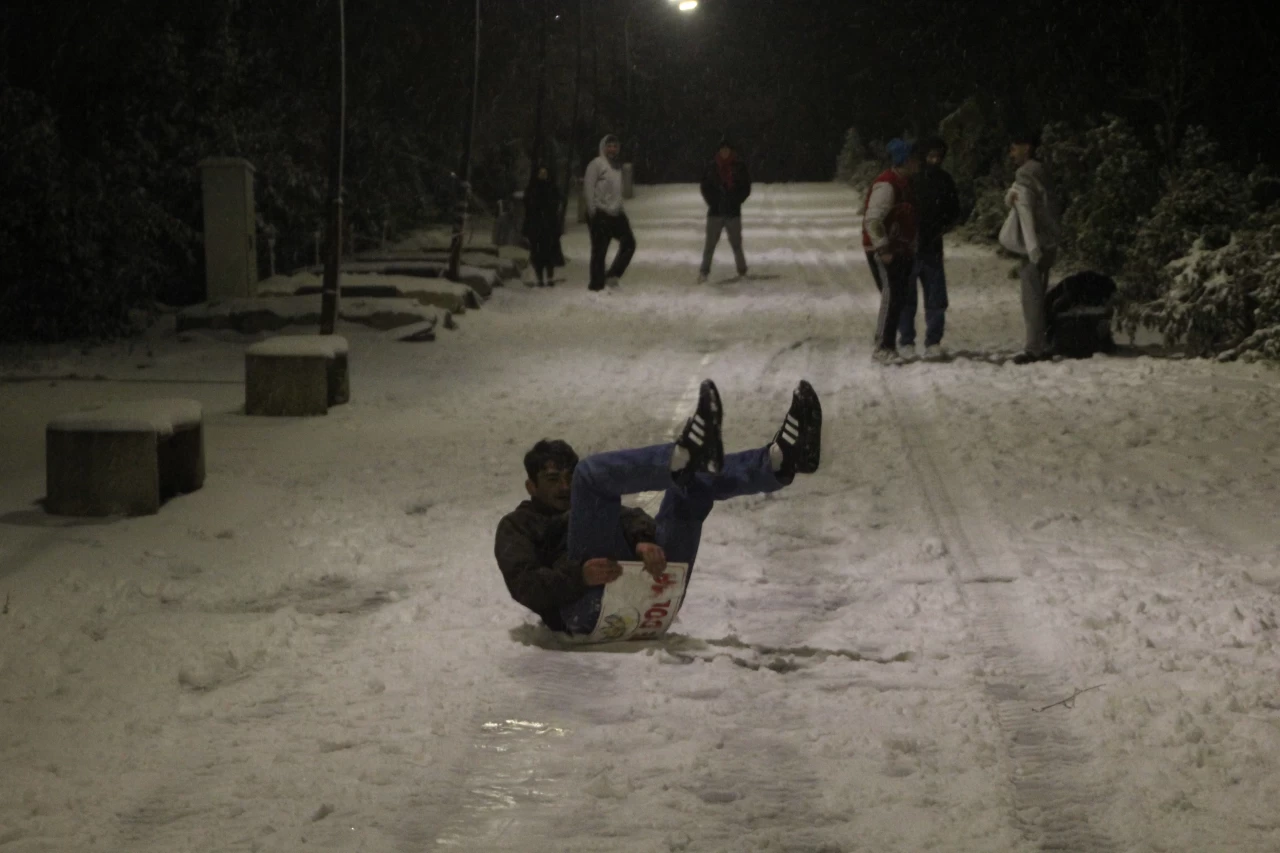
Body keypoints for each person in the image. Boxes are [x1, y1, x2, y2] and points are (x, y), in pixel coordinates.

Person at [494, 378, 823, 635]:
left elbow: (632, 517)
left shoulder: (585, 514)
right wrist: (579, 576)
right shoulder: (517, 525)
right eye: (552, 480)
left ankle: (778, 461)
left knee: (692, 486)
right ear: (531, 486)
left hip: (650, 601)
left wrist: (643, 541)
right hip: (585, 611)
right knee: (591, 474)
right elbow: (525, 585)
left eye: (567, 479)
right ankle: (680, 459)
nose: (565, 488)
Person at [1001, 128, 1061, 364]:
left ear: (1027, 147)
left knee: (1031, 296)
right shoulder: (1043, 170)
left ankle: (1034, 347)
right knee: (1040, 291)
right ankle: (1042, 342)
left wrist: (1032, 247)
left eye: (1014, 147)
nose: (1011, 153)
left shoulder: (1025, 174)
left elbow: (1025, 211)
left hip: (1036, 242)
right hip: (1050, 239)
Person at [862, 138, 922, 365]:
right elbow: (873, 219)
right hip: (885, 250)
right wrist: (883, 247)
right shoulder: (887, 185)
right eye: (914, 159)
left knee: (897, 297)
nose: (919, 163)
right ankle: (883, 346)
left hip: (898, 249)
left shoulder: (904, 182)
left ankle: (887, 344)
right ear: (904, 161)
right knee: (892, 296)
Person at [899, 137, 959, 360]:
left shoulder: (944, 180)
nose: (935, 160)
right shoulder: (910, 180)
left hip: (932, 247)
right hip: (909, 248)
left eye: (939, 156)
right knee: (906, 299)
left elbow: (954, 209)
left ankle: (933, 341)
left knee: (936, 299)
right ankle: (906, 340)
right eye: (931, 155)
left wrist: (943, 226)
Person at [583, 134, 637, 292]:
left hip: (616, 213)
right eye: (609, 146)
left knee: (629, 244)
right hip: (600, 213)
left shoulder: (616, 166)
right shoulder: (596, 164)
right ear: (603, 147)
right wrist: (593, 211)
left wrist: (619, 206)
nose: (612, 149)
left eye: (615, 146)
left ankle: (612, 275)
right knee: (600, 251)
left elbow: (617, 190)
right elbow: (588, 188)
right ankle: (596, 286)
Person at [697, 138, 752, 283]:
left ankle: (742, 271)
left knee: (736, 244)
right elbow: (705, 186)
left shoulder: (739, 167)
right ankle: (704, 272)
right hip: (715, 212)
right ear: (719, 151)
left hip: (733, 213)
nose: (725, 152)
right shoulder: (712, 167)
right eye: (722, 149)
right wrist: (713, 201)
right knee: (710, 244)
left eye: (727, 149)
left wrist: (735, 200)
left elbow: (746, 187)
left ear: (731, 151)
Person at [522, 164, 566, 287]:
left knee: (549, 253)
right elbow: (528, 207)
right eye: (540, 173)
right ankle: (540, 277)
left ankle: (550, 276)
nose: (542, 176)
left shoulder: (552, 188)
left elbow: (557, 202)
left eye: (544, 173)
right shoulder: (532, 189)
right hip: (536, 226)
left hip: (549, 227)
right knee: (537, 253)